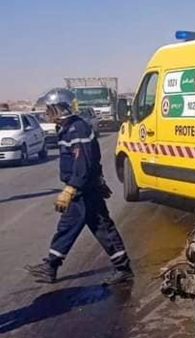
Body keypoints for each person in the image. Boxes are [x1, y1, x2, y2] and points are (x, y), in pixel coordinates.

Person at [25, 89, 133, 285]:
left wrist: (71, 189)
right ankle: (122, 267)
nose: (47, 113)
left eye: (50, 109)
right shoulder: (67, 128)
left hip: (83, 189)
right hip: (85, 187)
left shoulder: (77, 129)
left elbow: (84, 162)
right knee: (99, 228)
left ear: (60, 109)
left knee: (73, 227)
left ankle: (51, 266)